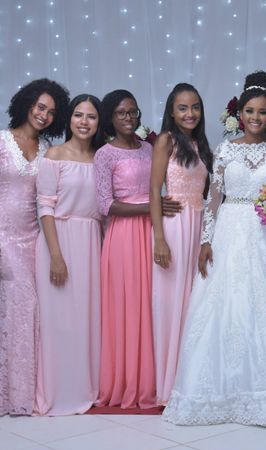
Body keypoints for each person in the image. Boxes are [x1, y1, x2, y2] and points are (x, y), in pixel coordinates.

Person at [163, 71, 266, 427]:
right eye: (250, 111)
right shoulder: (226, 148)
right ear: (240, 114)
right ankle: (220, 390)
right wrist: (205, 240)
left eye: (262, 112)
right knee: (225, 307)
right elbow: (214, 198)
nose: (256, 118)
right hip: (229, 228)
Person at [94, 90, 169, 409]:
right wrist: (151, 208)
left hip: (152, 231)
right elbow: (104, 204)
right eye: (122, 113)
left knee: (151, 303)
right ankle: (126, 381)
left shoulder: (150, 148)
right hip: (124, 236)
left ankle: (152, 380)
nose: (129, 118)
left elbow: (161, 187)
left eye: (134, 112)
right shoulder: (105, 154)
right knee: (127, 305)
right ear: (111, 117)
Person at [0, 78, 69, 416]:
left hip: (36, 238)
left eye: (51, 111)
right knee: (15, 308)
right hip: (4, 236)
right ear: (26, 102)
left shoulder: (48, 151)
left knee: (30, 313)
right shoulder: (1, 142)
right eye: (40, 106)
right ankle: (10, 396)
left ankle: (26, 394)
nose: (44, 115)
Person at [34, 94, 104, 415]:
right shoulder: (54, 155)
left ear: (98, 122)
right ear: (70, 119)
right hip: (58, 242)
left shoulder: (102, 159)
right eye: (78, 115)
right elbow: (45, 207)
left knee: (86, 319)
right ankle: (58, 391)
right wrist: (56, 256)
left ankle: (83, 387)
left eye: (91, 116)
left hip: (90, 242)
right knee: (58, 320)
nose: (84, 122)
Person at [149, 83, 211, 405]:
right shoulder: (166, 141)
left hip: (198, 225)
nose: (190, 113)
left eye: (195, 107)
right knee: (172, 305)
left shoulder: (199, 144)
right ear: (171, 112)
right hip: (174, 229)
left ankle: (190, 380)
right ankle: (168, 386)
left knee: (194, 305)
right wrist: (159, 237)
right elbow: (153, 191)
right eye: (183, 108)